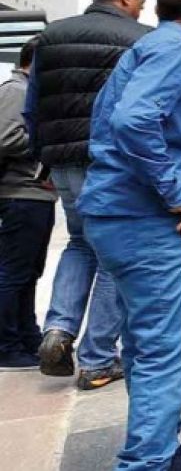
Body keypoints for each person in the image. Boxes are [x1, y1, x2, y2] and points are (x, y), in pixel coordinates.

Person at [78, 0, 181, 470]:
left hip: (113, 213)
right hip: (138, 216)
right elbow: (134, 120)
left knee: (144, 345)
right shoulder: (179, 48)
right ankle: (148, 463)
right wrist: (180, 197)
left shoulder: (147, 47)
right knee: (164, 347)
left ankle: (164, 449)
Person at [26, 0, 150, 388]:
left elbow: (32, 107)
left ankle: (59, 330)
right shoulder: (141, 39)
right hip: (113, 165)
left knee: (80, 243)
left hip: (62, 163)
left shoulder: (51, 36)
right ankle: (97, 358)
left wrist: (43, 159)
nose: (143, 6)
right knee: (116, 256)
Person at [0, 39, 58, 370]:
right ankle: (6, 345)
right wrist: (48, 137)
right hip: (20, 194)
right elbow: (6, 139)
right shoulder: (15, 91)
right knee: (13, 273)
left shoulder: (28, 92)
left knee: (28, 272)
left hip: (34, 194)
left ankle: (26, 335)